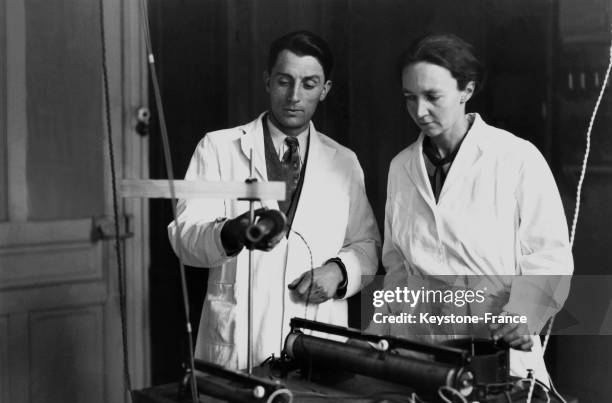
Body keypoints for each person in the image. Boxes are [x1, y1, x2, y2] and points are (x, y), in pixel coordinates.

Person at [168, 31, 381, 370]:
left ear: (325, 90)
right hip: (238, 344)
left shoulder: (344, 162)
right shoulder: (218, 148)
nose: (294, 96)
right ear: (268, 81)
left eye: (309, 84)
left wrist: (339, 271)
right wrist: (230, 232)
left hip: (317, 342)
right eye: (284, 81)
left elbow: (367, 245)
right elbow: (184, 236)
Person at [375, 34, 573, 383]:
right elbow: (396, 264)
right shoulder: (401, 167)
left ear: (466, 90)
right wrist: (383, 334)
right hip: (420, 348)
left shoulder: (516, 158)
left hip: (495, 344)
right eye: (410, 97)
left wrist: (525, 315)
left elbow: (549, 255)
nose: (419, 111)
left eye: (432, 97)